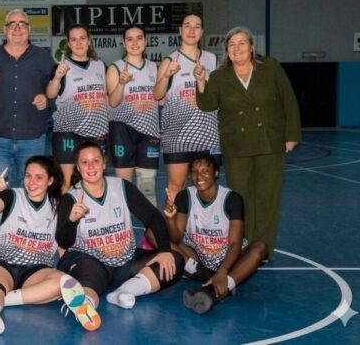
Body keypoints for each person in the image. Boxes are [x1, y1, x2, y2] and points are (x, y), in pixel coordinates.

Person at [195, 27, 300, 258]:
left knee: (267, 198)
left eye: (242, 43)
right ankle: (244, 245)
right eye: (232, 44)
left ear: (252, 47)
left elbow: (289, 100)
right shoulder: (219, 76)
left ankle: (261, 249)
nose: (237, 48)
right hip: (236, 145)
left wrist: (291, 134)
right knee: (241, 198)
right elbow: (207, 104)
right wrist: (201, 81)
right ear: (226, 50)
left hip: (269, 141)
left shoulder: (270, 67)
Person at [0, 156, 100, 336]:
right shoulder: (11, 196)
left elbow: (63, 242)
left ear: (50, 180)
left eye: (39, 177)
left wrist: (72, 222)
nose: (32, 182)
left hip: (36, 270)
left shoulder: (59, 205)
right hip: (3, 263)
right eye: (28, 176)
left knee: (65, 283)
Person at [56, 141, 184, 311]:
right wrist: (72, 221)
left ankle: (124, 292)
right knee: (90, 275)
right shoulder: (70, 198)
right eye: (85, 162)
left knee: (174, 261)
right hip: (89, 261)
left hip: (126, 260)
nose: (91, 166)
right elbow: (63, 241)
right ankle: (86, 305)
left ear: (104, 164)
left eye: (96, 161)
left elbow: (153, 216)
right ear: (78, 167)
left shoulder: (122, 187)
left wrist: (165, 250)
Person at [163, 153, 268, 314]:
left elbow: (235, 243)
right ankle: (217, 281)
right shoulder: (184, 196)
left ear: (216, 173)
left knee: (260, 248)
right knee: (154, 234)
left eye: (205, 171)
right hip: (197, 258)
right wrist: (170, 219)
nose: (199, 176)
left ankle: (214, 291)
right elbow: (175, 238)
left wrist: (223, 270)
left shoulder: (232, 199)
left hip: (228, 259)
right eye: (194, 172)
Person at [0, 9, 54, 188]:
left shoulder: (43, 57)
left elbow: (55, 90)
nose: (17, 28)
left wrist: (47, 100)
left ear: (29, 29)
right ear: (4, 29)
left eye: (22, 24)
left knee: (32, 191)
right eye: (12, 24)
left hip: (33, 139)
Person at [154, 13, 220, 201]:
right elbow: (157, 95)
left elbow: (218, 96)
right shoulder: (169, 60)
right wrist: (166, 76)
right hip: (178, 135)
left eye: (197, 26)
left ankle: (204, 221)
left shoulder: (212, 60)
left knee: (206, 186)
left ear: (202, 31)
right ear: (180, 30)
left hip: (208, 135)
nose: (192, 30)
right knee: (177, 185)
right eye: (187, 26)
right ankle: (173, 221)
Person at [47, 24, 109, 192]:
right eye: (74, 39)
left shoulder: (100, 66)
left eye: (82, 38)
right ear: (68, 43)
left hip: (96, 132)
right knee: (67, 183)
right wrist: (57, 78)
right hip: (67, 131)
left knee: (94, 182)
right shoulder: (61, 67)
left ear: (89, 41)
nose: (79, 43)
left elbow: (108, 96)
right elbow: (51, 94)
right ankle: (65, 210)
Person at [106, 25, 160, 205]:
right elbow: (113, 102)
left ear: (146, 41)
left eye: (139, 38)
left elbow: (161, 99)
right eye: (130, 39)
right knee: (124, 188)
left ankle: (149, 224)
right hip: (122, 131)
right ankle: (124, 223)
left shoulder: (154, 68)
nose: (135, 43)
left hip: (149, 133)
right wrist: (121, 83)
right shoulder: (115, 68)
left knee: (147, 188)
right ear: (123, 43)